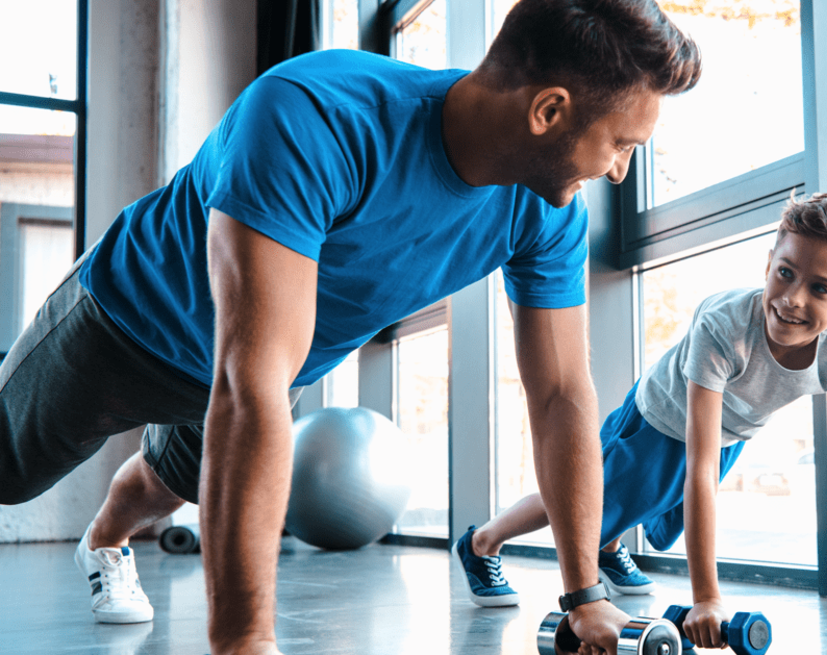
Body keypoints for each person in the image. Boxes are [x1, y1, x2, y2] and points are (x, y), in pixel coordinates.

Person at [0, 1, 700, 654]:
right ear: (550, 110)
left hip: (261, 376)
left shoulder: (548, 214)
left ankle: (103, 541)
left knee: (159, 485)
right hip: (128, 322)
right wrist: (246, 641)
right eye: (621, 144)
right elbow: (249, 386)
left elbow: (561, 398)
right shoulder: (317, 113)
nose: (618, 171)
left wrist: (584, 596)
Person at [460, 191, 827, 649]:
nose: (791, 299)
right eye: (785, 273)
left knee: (654, 524)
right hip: (658, 421)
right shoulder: (724, 325)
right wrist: (706, 599)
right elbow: (698, 467)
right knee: (583, 503)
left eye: (820, 289)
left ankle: (608, 543)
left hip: (730, 434)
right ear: (768, 265)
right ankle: (483, 541)